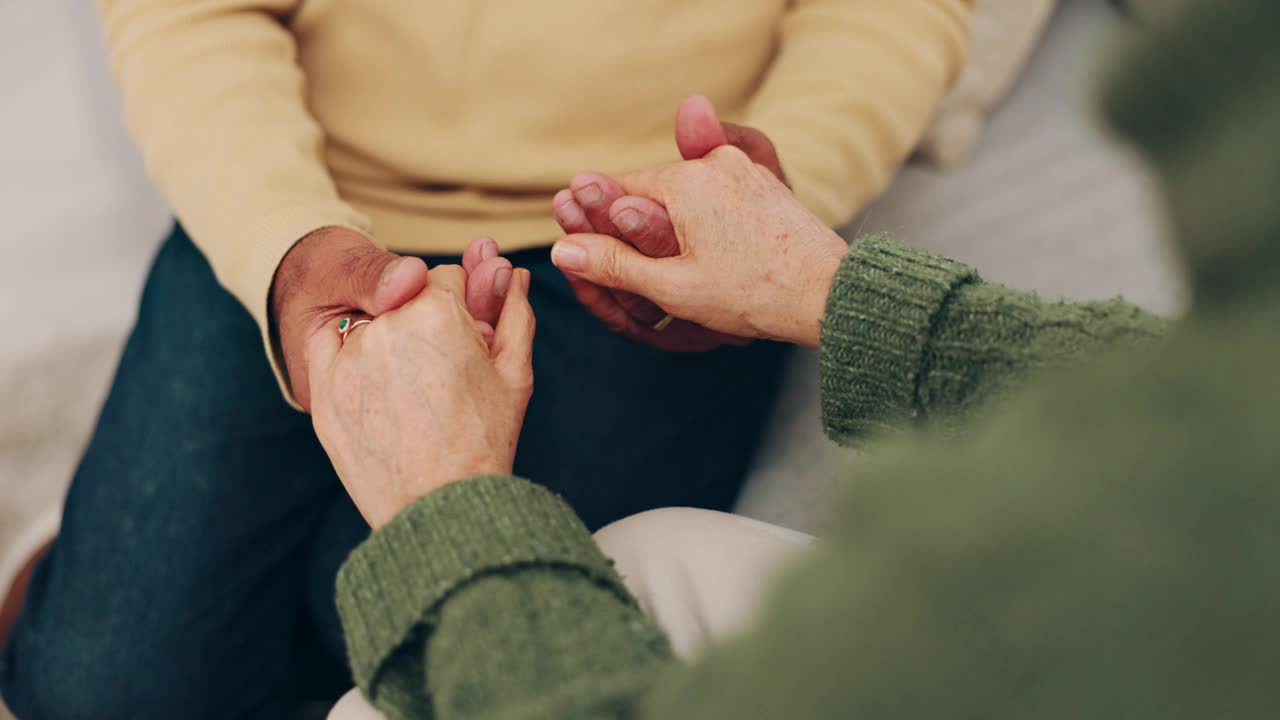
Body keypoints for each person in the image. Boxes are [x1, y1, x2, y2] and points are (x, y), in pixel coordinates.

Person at [0, 1, 976, 716]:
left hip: (639, 238)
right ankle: (76, 562)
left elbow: (887, 16)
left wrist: (764, 206)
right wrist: (282, 243)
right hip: (306, 197)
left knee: (416, 644)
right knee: (97, 695)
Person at [306, 0, 1276, 716]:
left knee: (385, 695)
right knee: (651, 556)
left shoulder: (1086, 576)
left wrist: (450, 517)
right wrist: (834, 293)